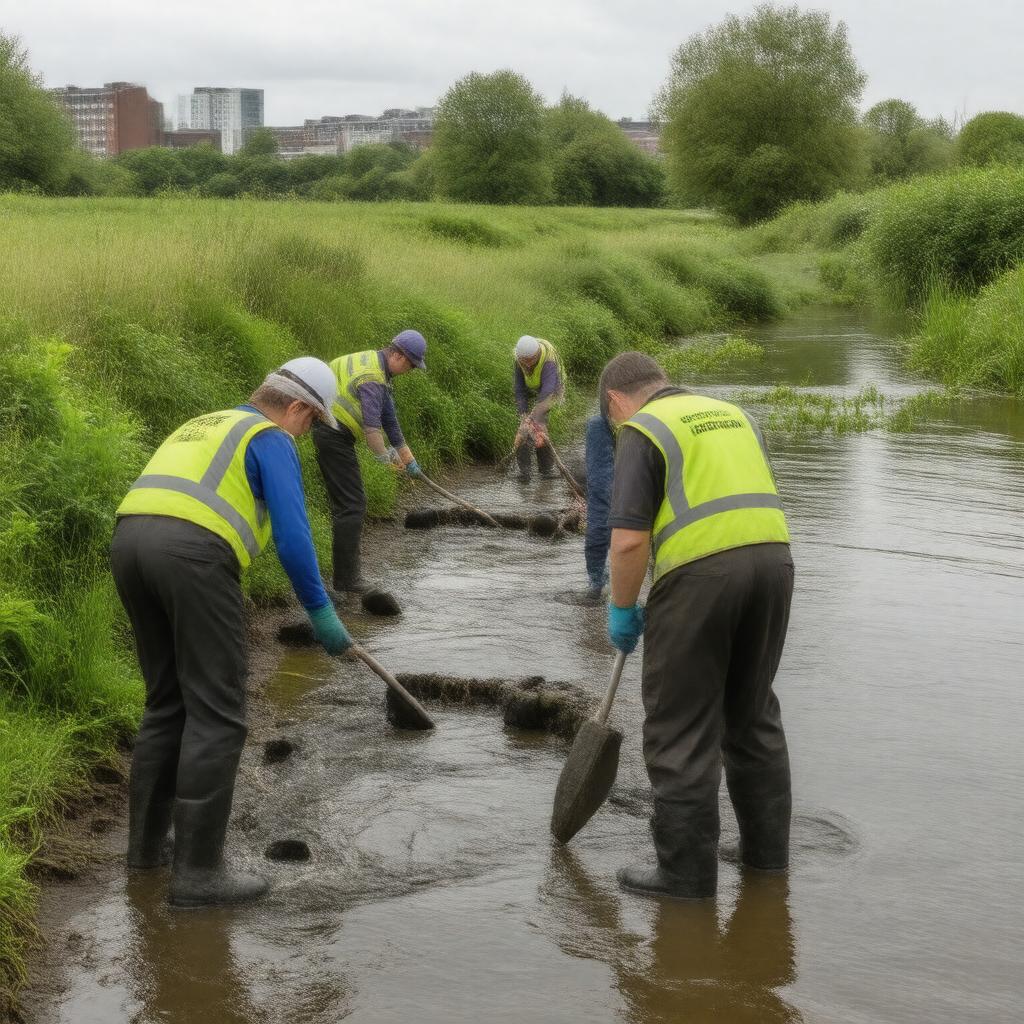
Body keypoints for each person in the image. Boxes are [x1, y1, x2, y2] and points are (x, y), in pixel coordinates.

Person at [112, 357, 354, 909]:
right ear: (296, 407)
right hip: (193, 556)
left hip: (129, 546)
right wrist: (322, 614)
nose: (307, 433)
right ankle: (198, 876)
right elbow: (294, 538)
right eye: (312, 422)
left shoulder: (207, 421)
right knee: (218, 713)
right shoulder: (270, 437)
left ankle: (146, 853)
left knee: (167, 702)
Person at [601, 351, 794, 900]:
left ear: (617, 400)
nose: (616, 427)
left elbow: (630, 539)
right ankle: (765, 859)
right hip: (774, 564)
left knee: (679, 728)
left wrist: (621, 608)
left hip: (702, 577)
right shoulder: (733, 413)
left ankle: (685, 878)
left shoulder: (643, 428)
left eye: (611, 418)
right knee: (753, 715)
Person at [313, 331, 427, 595]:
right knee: (352, 506)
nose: (410, 370)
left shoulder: (372, 361)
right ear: (397, 355)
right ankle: (347, 581)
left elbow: (389, 418)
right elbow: (373, 431)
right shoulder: (373, 379)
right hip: (333, 435)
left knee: (349, 504)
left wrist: (408, 458)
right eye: (410, 364)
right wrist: (386, 459)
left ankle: (345, 577)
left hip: (328, 429)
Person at [513, 334, 565, 483]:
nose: (528, 365)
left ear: (538, 355)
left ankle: (546, 471)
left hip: (553, 388)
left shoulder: (548, 361)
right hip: (535, 386)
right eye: (525, 361)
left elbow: (548, 390)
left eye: (531, 361)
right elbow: (519, 389)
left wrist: (535, 418)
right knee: (523, 429)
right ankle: (524, 473)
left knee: (540, 427)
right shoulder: (518, 358)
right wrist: (523, 416)